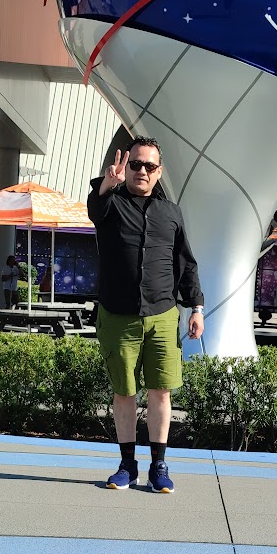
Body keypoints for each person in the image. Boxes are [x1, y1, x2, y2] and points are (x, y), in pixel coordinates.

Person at [86, 137, 204, 493]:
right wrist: (108, 184)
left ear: (159, 171)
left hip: (163, 314)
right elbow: (95, 209)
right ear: (127, 167)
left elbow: (186, 263)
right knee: (124, 392)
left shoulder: (171, 213)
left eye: (149, 166)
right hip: (118, 314)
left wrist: (196, 307)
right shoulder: (111, 204)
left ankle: (158, 466)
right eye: (135, 164)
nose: (141, 171)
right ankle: (127, 465)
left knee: (160, 392)